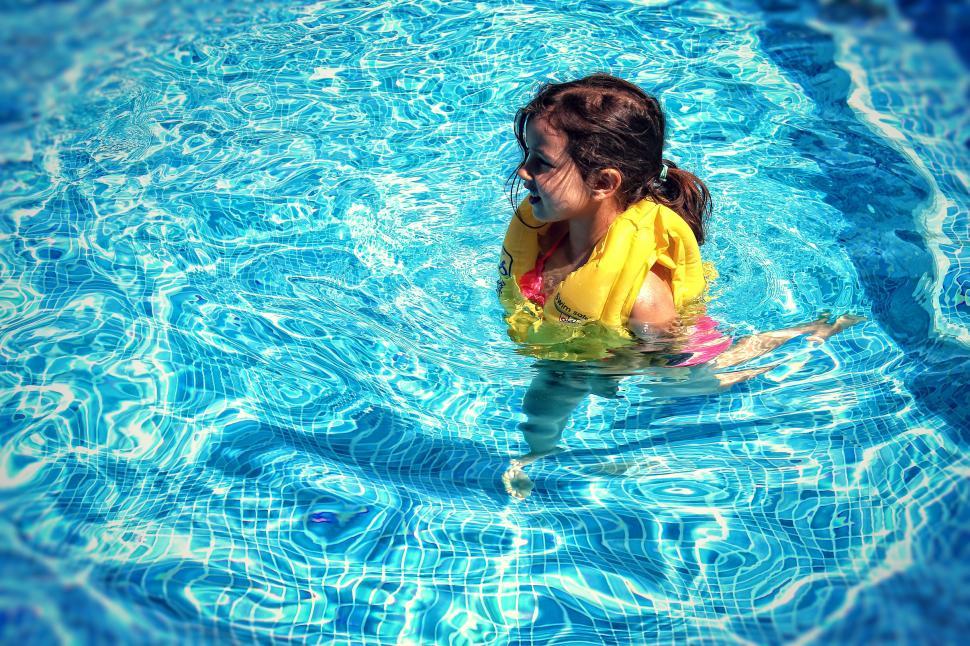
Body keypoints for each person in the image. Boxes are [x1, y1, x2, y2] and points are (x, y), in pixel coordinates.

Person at [497, 73, 862, 499]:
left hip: (661, 357)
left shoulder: (645, 297)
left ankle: (798, 334)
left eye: (542, 162)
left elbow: (667, 358)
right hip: (574, 351)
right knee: (548, 392)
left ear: (603, 183)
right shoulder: (552, 234)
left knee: (704, 378)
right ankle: (538, 453)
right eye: (527, 155)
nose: (523, 172)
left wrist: (611, 372)